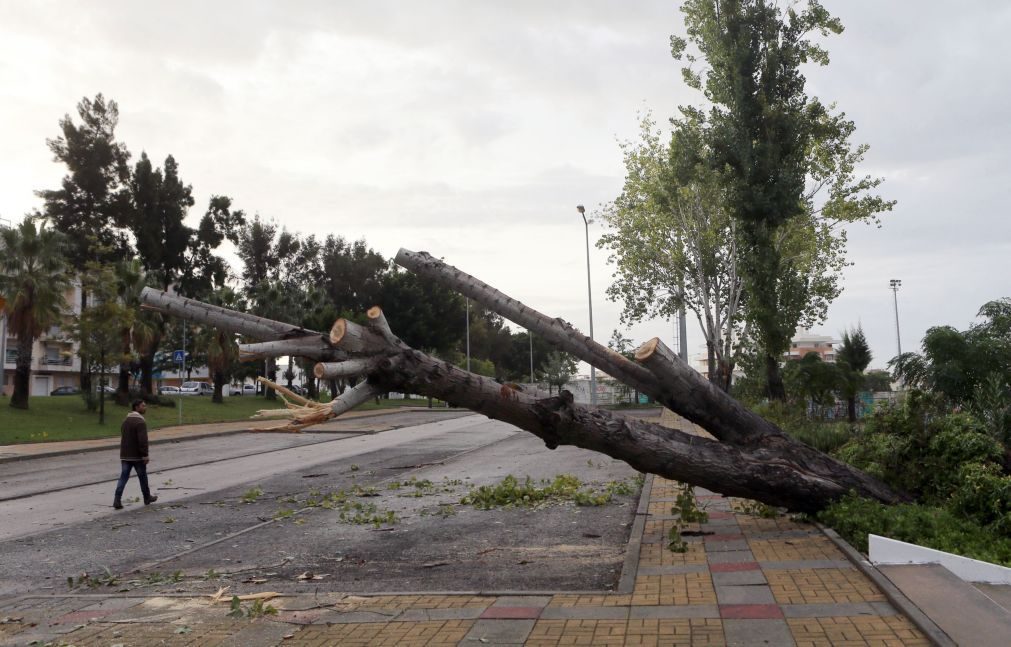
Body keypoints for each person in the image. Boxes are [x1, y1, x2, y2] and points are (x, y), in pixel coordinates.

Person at [113, 399, 158, 509]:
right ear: (136, 407)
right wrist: (145, 454)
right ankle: (147, 497)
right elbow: (142, 440)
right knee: (142, 477)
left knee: (123, 477)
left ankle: (117, 500)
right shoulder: (140, 422)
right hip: (137, 456)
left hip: (125, 455)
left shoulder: (125, 421)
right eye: (143, 406)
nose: (145, 408)